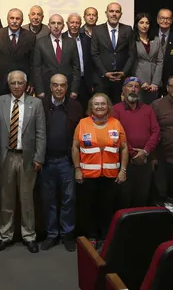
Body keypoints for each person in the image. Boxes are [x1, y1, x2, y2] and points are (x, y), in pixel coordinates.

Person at [0, 70, 45, 254]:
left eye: (20, 83)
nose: (16, 86)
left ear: (26, 84)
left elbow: (41, 133)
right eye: (13, 83)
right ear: (8, 84)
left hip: (27, 158)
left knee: (27, 199)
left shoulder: (35, 103)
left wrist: (39, 157)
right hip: (6, 157)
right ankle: (5, 235)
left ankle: (29, 235)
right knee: (6, 199)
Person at [72, 93, 129, 250]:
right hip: (88, 175)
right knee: (89, 207)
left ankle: (105, 237)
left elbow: (124, 148)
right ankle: (91, 237)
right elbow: (75, 147)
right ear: (91, 107)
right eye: (96, 104)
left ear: (108, 106)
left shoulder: (116, 123)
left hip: (110, 176)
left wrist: (123, 170)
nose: (100, 107)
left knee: (107, 208)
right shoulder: (83, 123)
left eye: (103, 104)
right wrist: (77, 169)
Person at [40, 74, 84, 252]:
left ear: (67, 87)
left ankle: (67, 234)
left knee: (68, 199)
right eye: (55, 85)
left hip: (67, 160)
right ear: (50, 87)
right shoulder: (41, 104)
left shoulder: (75, 106)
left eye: (62, 85)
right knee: (48, 199)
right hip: (46, 160)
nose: (59, 89)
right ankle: (52, 234)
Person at [111, 78, 160, 207]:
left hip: (145, 160)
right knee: (124, 198)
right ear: (123, 89)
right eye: (130, 86)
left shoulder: (148, 109)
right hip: (125, 162)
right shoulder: (115, 110)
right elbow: (116, 134)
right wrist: (133, 153)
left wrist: (145, 151)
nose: (133, 89)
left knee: (142, 196)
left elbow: (156, 132)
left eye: (136, 86)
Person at [91, 2, 137, 105]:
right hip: (102, 79)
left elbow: (132, 54)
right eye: (111, 11)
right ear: (106, 13)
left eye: (117, 11)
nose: (114, 14)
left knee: (119, 108)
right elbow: (94, 53)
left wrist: (124, 72)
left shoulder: (128, 30)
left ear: (121, 14)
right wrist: (104, 72)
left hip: (121, 79)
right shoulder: (97, 30)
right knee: (101, 107)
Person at [0, 9, 36, 96]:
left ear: (22, 21)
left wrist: (31, 82)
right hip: (1, 81)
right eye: (12, 18)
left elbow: (33, 62)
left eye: (17, 19)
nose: (14, 21)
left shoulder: (30, 36)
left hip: (22, 82)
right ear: (7, 19)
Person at [31, 14, 80, 100]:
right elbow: (36, 68)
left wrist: (74, 90)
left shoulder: (71, 42)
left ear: (63, 26)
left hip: (67, 88)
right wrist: (39, 90)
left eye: (59, 23)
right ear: (48, 26)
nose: (56, 26)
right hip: (47, 88)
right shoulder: (40, 42)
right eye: (53, 23)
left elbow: (76, 67)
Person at [132, 13, 164, 104]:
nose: (144, 25)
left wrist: (155, 82)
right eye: (141, 22)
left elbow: (160, 61)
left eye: (147, 23)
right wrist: (141, 81)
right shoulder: (132, 40)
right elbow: (133, 62)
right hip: (138, 81)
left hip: (154, 82)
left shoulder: (156, 40)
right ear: (136, 24)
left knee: (153, 108)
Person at [66, 12, 95, 108]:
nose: (74, 25)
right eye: (72, 22)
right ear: (67, 23)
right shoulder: (61, 38)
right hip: (67, 82)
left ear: (80, 24)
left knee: (84, 110)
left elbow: (91, 63)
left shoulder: (87, 39)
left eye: (77, 23)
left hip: (84, 82)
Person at [155, 8, 173, 97]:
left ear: (171, 20)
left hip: (170, 79)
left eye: (168, 18)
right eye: (162, 18)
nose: (165, 21)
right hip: (152, 79)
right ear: (157, 20)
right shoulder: (150, 35)